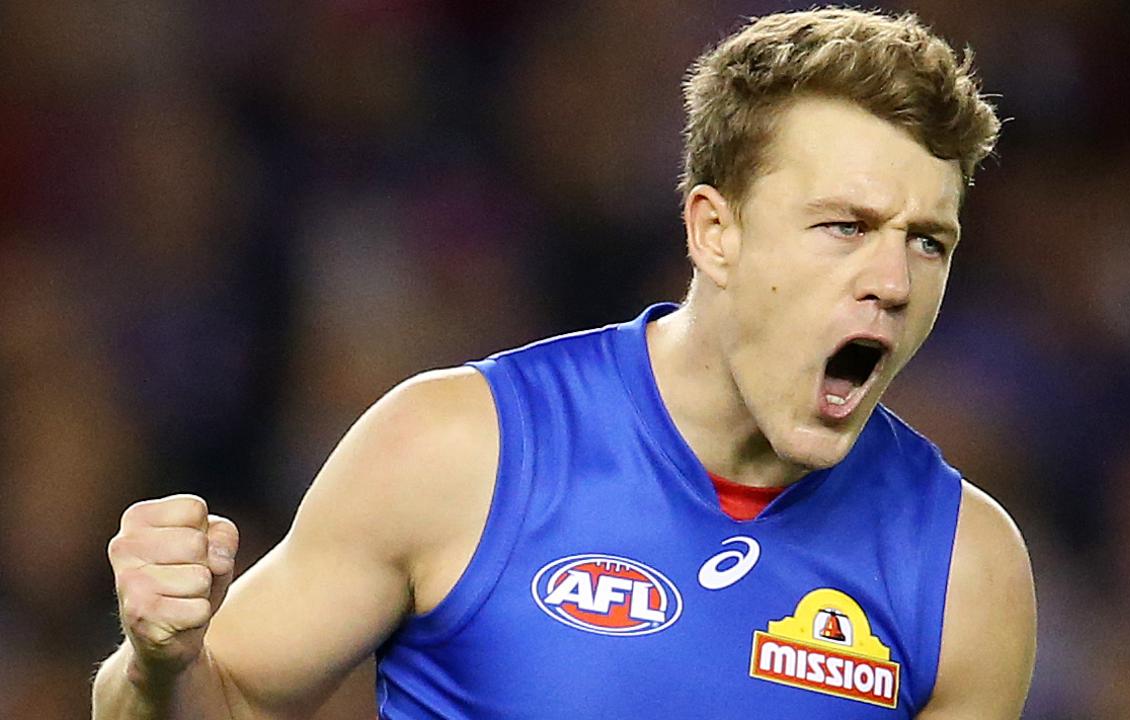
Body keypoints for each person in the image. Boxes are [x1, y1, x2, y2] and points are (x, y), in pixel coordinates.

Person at [93, 8, 1035, 719]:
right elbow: (226, 702)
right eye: (846, 227)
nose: (893, 281)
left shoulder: (964, 573)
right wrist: (158, 666)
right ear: (715, 231)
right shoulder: (462, 451)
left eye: (928, 242)